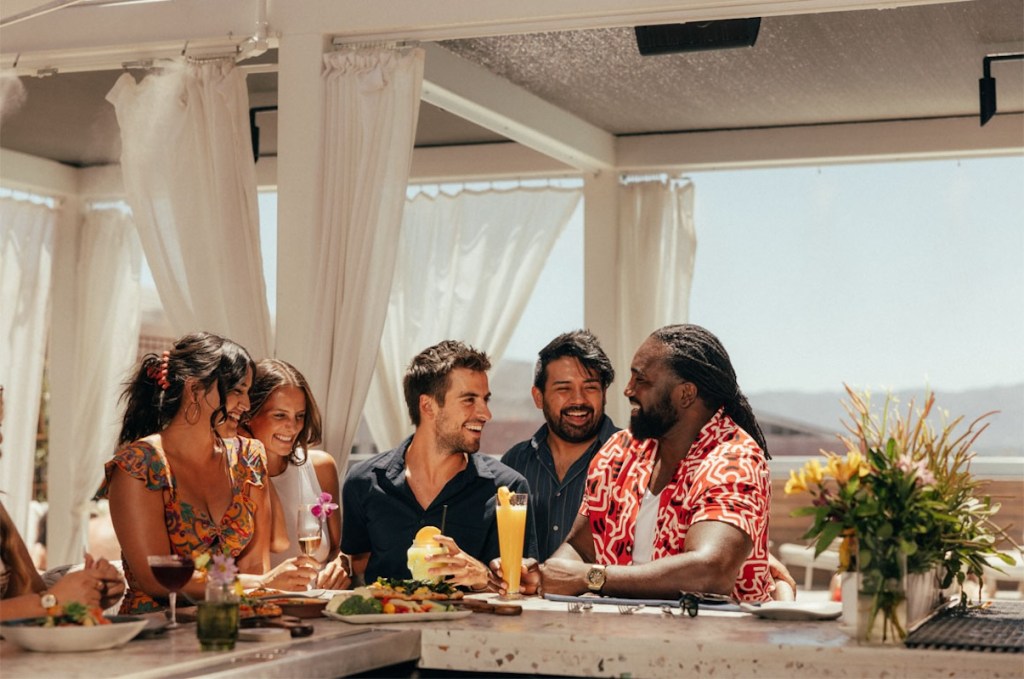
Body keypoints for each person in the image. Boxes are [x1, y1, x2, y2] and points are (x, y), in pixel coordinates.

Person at [532, 324, 783, 602]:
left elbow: (711, 572)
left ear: (685, 394)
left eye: (642, 381)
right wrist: (548, 574)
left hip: (714, 638)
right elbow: (581, 549)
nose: (628, 390)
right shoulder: (619, 453)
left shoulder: (733, 460)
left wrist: (591, 578)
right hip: (621, 634)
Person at [98, 332, 312, 614]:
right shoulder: (139, 467)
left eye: (248, 392)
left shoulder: (249, 457)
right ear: (195, 389)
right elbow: (157, 580)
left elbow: (254, 565)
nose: (246, 405)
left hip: (233, 620)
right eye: (237, 390)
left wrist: (257, 589)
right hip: (158, 630)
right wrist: (258, 583)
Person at [342, 340, 537, 590]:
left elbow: (522, 590)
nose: (486, 414)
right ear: (428, 406)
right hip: (384, 626)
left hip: (472, 628)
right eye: (469, 400)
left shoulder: (508, 490)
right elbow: (355, 564)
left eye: (485, 400)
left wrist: (483, 577)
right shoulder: (362, 482)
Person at [501, 330, 619, 562]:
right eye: (563, 388)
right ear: (538, 397)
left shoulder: (635, 461)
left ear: (604, 394)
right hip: (525, 598)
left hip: (604, 598)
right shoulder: (513, 464)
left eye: (590, 387)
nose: (578, 399)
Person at [241, 358, 350, 589]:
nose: (292, 427)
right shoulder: (234, 477)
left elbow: (338, 549)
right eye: (280, 415)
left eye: (299, 416)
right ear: (248, 414)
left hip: (320, 608)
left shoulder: (321, 467)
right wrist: (252, 452)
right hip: (267, 613)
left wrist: (340, 566)